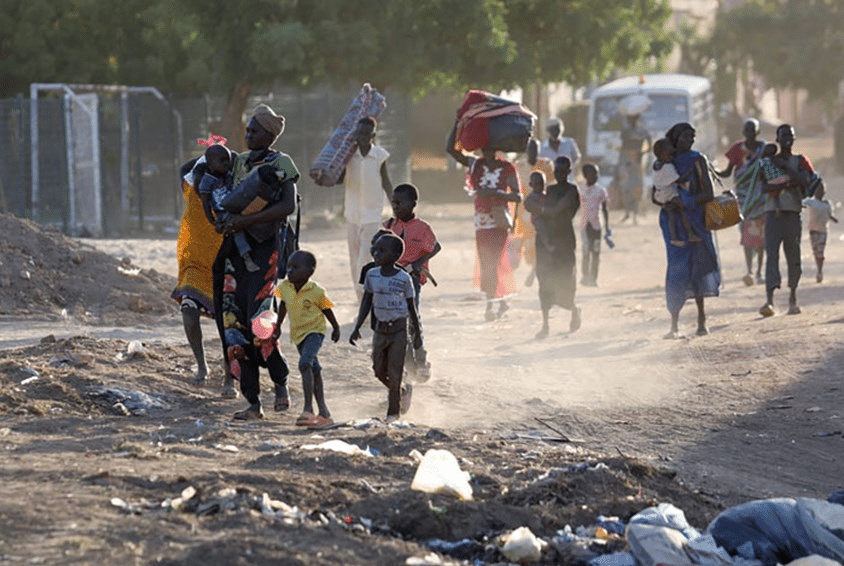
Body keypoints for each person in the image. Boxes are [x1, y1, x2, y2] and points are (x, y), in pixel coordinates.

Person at [212, 103, 299, 420]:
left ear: (270, 134)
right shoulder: (238, 163)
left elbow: (287, 206)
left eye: (255, 130)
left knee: (261, 324)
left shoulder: (283, 163)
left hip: (266, 251)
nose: (249, 135)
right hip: (236, 252)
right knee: (234, 326)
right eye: (247, 130)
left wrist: (245, 223)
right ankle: (252, 402)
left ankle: (280, 382)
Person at [446, 120, 521, 321]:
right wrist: (458, 121)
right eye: (483, 149)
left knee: (493, 261)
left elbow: (518, 196)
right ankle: (500, 301)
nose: (486, 153)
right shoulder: (476, 164)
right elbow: (450, 150)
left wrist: (495, 194)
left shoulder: (507, 168)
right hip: (481, 222)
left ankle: (491, 304)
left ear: (496, 149)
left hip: (499, 220)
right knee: (487, 261)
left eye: (490, 149)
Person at [350, 233, 422, 422]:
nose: (376, 253)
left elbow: (412, 308)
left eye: (382, 250)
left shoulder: (404, 278)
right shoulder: (371, 274)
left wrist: (417, 334)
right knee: (378, 369)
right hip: (380, 330)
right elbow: (366, 301)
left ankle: (393, 413)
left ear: (396, 254)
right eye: (375, 249)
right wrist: (357, 326)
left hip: (399, 329)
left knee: (394, 371)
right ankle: (399, 389)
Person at [657, 122, 720, 339]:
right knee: (676, 269)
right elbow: (655, 193)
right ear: (675, 139)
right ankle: (674, 323)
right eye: (684, 137)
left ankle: (701, 320)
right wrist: (668, 203)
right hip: (672, 222)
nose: (689, 141)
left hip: (696, 221)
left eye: (691, 137)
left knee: (698, 268)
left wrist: (686, 202)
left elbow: (708, 194)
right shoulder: (665, 160)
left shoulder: (697, 160)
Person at [171, 144, 224, 386]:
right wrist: (207, 155)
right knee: (189, 312)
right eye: (199, 172)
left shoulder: (225, 194)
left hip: (224, 265)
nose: (200, 177)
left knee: (228, 324)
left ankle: (230, 375)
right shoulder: (190, 189)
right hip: (194, 266)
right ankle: (202, 365)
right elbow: (184, 168)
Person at [272, 250, 340, 429]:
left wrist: (336, 327)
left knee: (305, 364)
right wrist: (278, 326)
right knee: (314, 369)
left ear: (310, 271)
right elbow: (283, 305)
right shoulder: (285, 287)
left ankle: (308, 409)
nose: (290, 271)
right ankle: (324, 412)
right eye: (288, 267)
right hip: (298, 335)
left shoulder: (316, 291)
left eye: (295, 267)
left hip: (315, 332)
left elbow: (326, 310)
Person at [758, 125, 821, 317]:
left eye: (791, 136)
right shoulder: (767, 162)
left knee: (793, 257)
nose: (787, 139)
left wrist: (785, 169)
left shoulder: (800, 161)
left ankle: (793, 298)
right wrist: (788, 182)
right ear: (777, 139)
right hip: (772, 214)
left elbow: (806, 182)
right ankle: (769, 300)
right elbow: (763, 188)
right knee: (772, 256)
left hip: (792, 212)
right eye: (784, 136)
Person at [385, 183, 440, 381]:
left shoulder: (422, 228)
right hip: (391, 280)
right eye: (393, 203)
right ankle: (407, 362)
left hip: (412, 280)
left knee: (412, 319)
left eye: (400, 203)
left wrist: (418, 263)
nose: (396, 206)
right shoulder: (389, 226)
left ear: (413, 204)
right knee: (397, 321)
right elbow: (379, 248)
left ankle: (421, 359)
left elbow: (436, 247)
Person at [524, 156, 581, 339]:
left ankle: (573, 310)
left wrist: (541, 211)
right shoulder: (551, 190)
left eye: (563, 171)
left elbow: (556, 211)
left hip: (564, 241)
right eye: (557, 171)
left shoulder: (572, 191)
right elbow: (536, 206)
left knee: (565, 280)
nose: (560, 174)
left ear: (569, 172)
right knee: (545, 281)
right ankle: (546, 324)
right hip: (546, 241)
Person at [340, 116, 392, 298]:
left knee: (365, 255)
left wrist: (396, 205)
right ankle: (359, 293)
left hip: (372, 214)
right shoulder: (348, 156)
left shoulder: (379, 156)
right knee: (353, 256)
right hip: (352, 213)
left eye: (365, 133)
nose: (361, 136)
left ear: (373, 135)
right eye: (359, 132)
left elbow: (386, 182)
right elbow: (338, 179)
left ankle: (365, 290)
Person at [717, 118, 766, 286]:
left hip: (761, 197)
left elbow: (769, 169)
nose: (750, 134)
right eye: (747, 131)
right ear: (743, 132)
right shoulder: (737, 149)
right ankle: (749, 271)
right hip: (743, 198)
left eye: (753, 131)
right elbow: (727, 172)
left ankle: (759, 271)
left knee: (761, 236)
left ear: (758, 132)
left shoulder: (764, 148)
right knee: (746, 233)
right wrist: (712, 170)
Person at [197, 143, 260, 272]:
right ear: (210, 164)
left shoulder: (228, 175)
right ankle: (247, 257)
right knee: (236, 229)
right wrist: (213, 221)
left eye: (228, 160)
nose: (226, 164)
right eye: (222, 161)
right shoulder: (207, 181)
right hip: (223, 213)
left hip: (236, 207)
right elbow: (205, 203)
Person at [514, 138, 554, 286]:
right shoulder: (519, 166)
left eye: (535, 149)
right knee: (523, 246)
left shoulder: (546, 165)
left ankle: (533, 274)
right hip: (522, 212)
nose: (533, 152)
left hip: (540, 211)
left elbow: (551, 187)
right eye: (530, 149)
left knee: (540, 243)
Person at [652, 138, 701, 247]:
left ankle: (674, 238)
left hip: (659, 195)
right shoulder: (668, 167)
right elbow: (679, 180)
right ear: (663, 154)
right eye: (670, 155)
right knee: (683, 210)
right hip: (669, 194)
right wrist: (690, 172)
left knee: (672, 216)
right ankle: (690, 234)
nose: (672, 157)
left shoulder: (656, 165)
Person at [614, 113, 651, 224]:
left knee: (637, 187)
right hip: (626, 161)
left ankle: (635, 214)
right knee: (625, 187)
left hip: (637, 162)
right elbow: (622, 148)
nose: (632, 121)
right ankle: (627, 213)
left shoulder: (643, 132)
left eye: (633, 119)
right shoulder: (625, 132)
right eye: (630, 119)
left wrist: (642, 153)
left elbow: (649, 147)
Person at [578, 163, 610, 287]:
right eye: (593, 174)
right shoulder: (580, 190)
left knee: (595, 252)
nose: (596, 176)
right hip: (584, 226)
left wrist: (607, 226)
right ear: (586, 176)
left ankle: (594, 278)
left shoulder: (601, 190)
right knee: (586, 251)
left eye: (597, 174)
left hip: (597, 226)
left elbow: (605, 209)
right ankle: (585, 276)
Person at [804, 192, 837, 283]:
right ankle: (819, 269)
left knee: (820, 251)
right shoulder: (811, 201)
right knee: (816, 251)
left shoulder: (827, 204)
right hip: (813, 231)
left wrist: (833, 219)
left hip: (823, 231)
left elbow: (829, 215)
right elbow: (801, 204)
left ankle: (819, 271)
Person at [523, 171, 553, 253]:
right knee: (541, 228)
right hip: (537, 218)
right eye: (536, 184)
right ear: (531, 184)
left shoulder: (545, 194)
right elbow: (527, 204)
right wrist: (541, 210)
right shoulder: (533, 196)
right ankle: (548, 244)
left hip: (546, 219)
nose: (539, 187)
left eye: (541, 184)